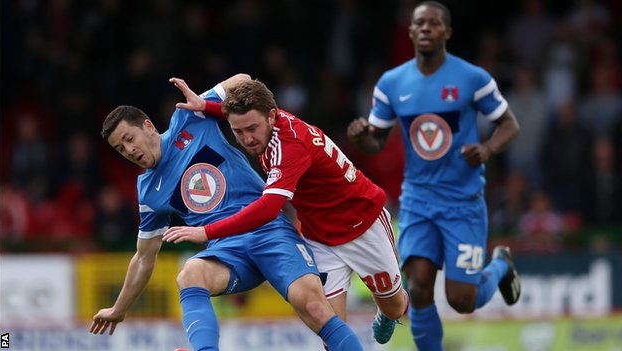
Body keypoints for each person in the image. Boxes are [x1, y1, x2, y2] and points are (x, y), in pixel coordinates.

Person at [88, 74, 365, 351]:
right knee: (190, 273)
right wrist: (118, 309)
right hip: (227, 251)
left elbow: (244, 79)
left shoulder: (190, 120)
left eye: (129, 138)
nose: (129, 150)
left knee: (314, 307)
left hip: (268, 229)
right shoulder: (148, 191)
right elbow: (143, 258)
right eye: (119, 148)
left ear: (147, 126)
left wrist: (203, 102)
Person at [162, 78, 409, 345]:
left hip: (362, 224)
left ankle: (385, 312)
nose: (247, 139)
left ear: (271, 116)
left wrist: (206, 232)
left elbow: (268, 209)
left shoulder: (290, 146)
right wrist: (206, 106)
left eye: (252, 129)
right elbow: (246, 100)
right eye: (239, 131)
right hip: (320, 236)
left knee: (395, 306)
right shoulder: (268, 123)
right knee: (328, 328)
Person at [346, 2, 522, 350]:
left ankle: (500, 265)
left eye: (433, 23)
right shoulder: (392, 83)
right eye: (419, 23)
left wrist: (486, 150)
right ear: (410, 32)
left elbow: (509, 124)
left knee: (461, 300)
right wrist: (361, 136)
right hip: (419, 199)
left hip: (463, 202)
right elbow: (376, 142)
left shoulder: (473, 78)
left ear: (447, 32)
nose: (426, 28)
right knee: (420, 284)